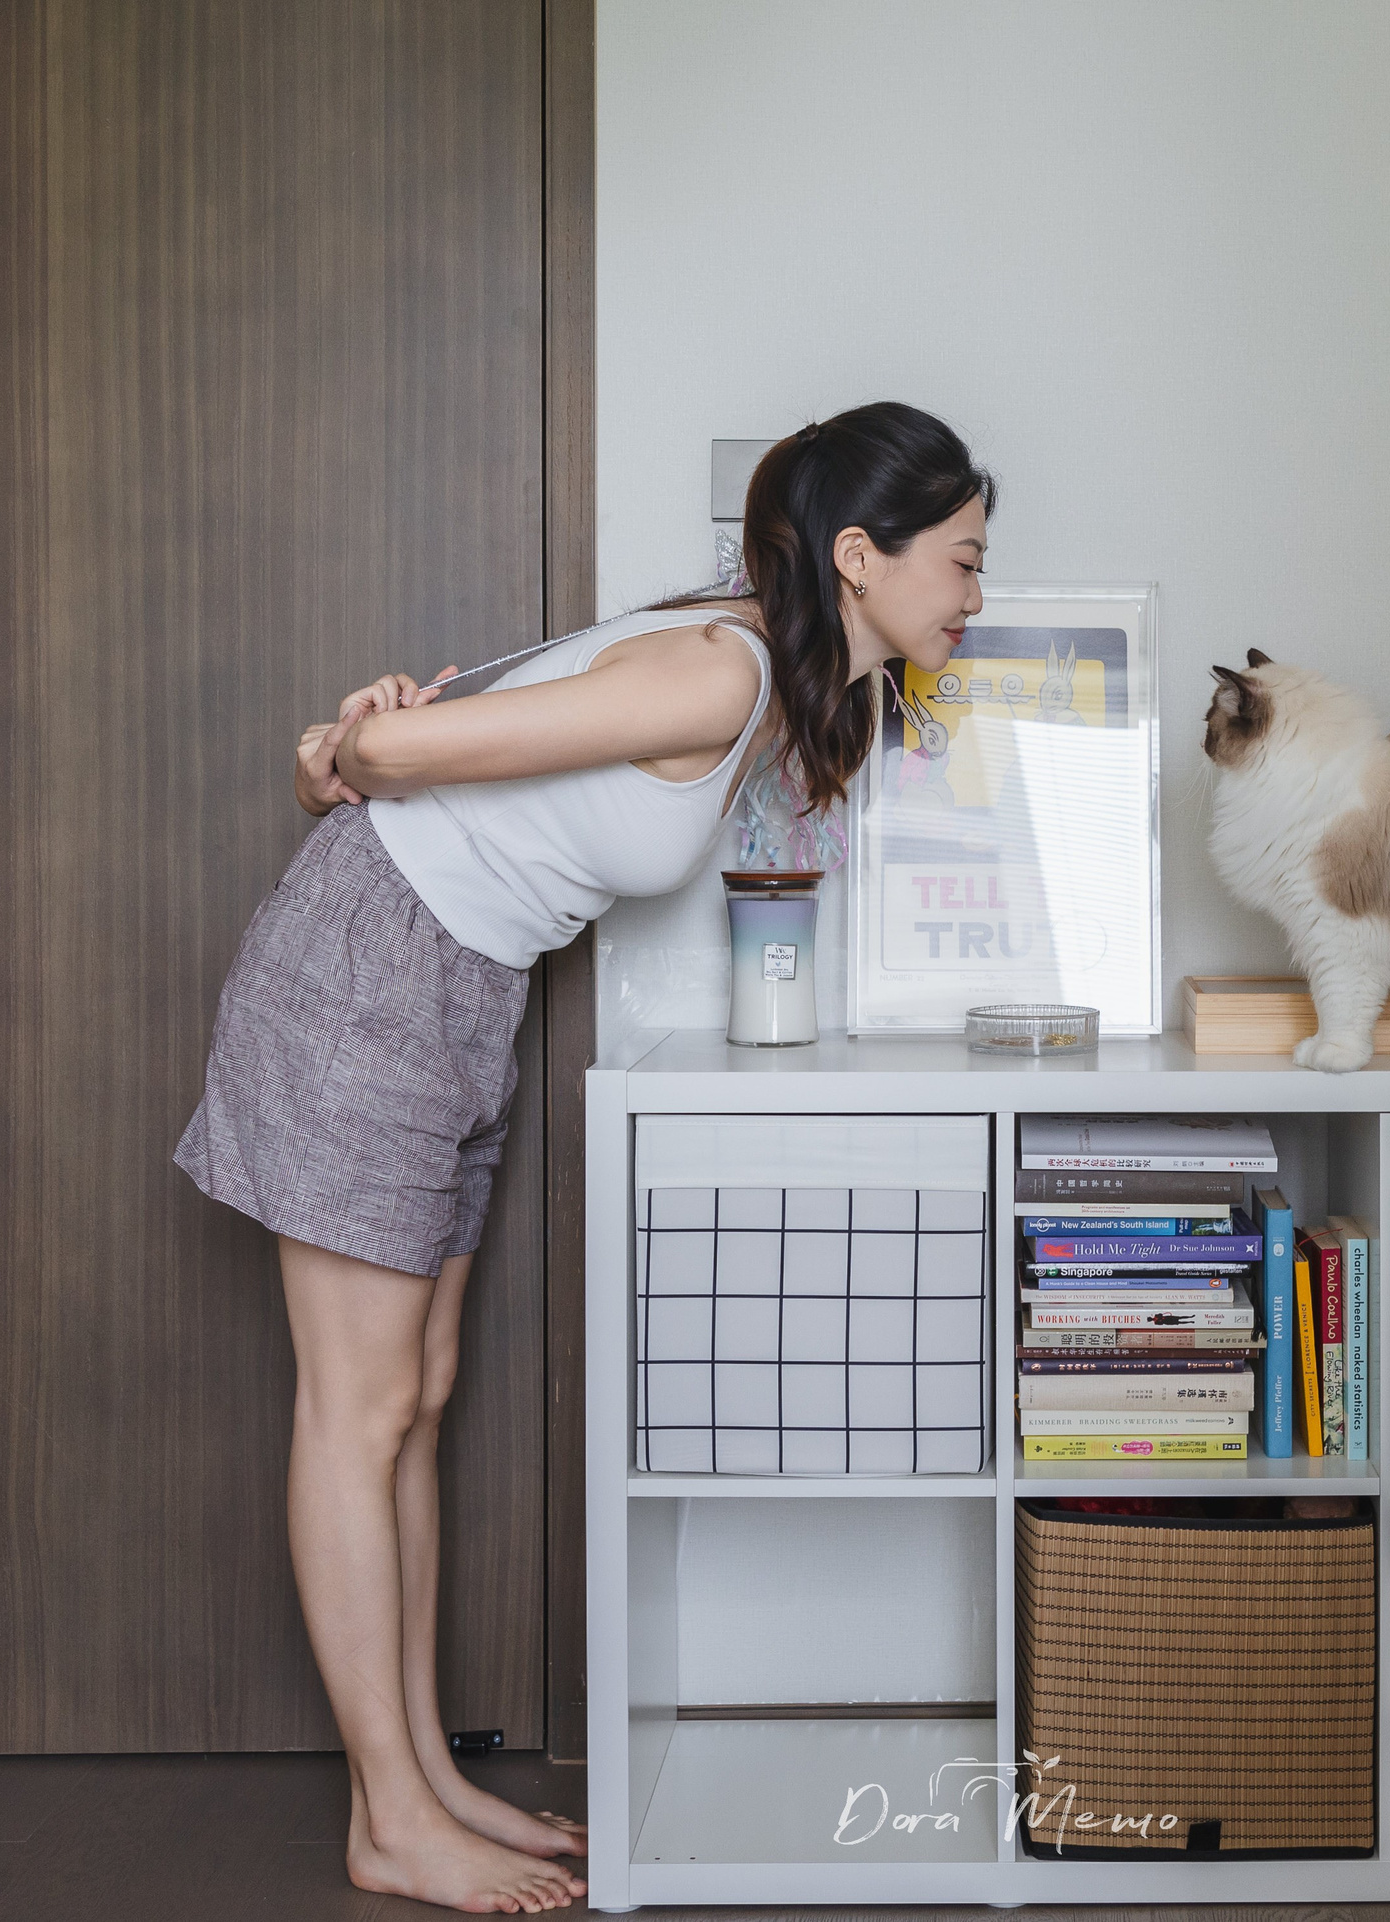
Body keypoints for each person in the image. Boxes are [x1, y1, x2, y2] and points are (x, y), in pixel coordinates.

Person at [174, 402, 995, 1914]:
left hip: (459, 982)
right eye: (961, 560)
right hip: (373, 971)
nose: (974, 593)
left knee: (415, 1399)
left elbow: (366, 759)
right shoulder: (718, 663)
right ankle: (388, 1819)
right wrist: (346, 742)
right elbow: (378, 754)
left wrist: (346, 751)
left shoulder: (753, 669)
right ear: (861, 557)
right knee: (359, 1412)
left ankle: (413, 1781)